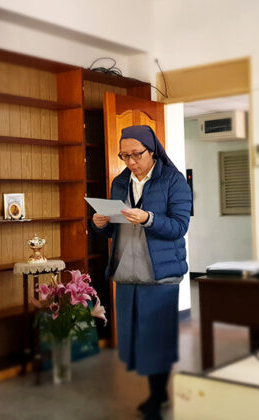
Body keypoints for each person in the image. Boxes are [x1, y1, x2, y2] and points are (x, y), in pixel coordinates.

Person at [92, 125, 191, 420]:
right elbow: (114, 230)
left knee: (156, 340)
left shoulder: (173, 180)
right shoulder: (120, 182)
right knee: (135, 338)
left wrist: (149, 218)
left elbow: (179, 226)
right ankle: (157, 392)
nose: (131, 161)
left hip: (160, 274)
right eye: (125, 156)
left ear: (152, 150)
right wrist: (100, 225)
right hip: (126, 271)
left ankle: (156, 398)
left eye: (137, 154)